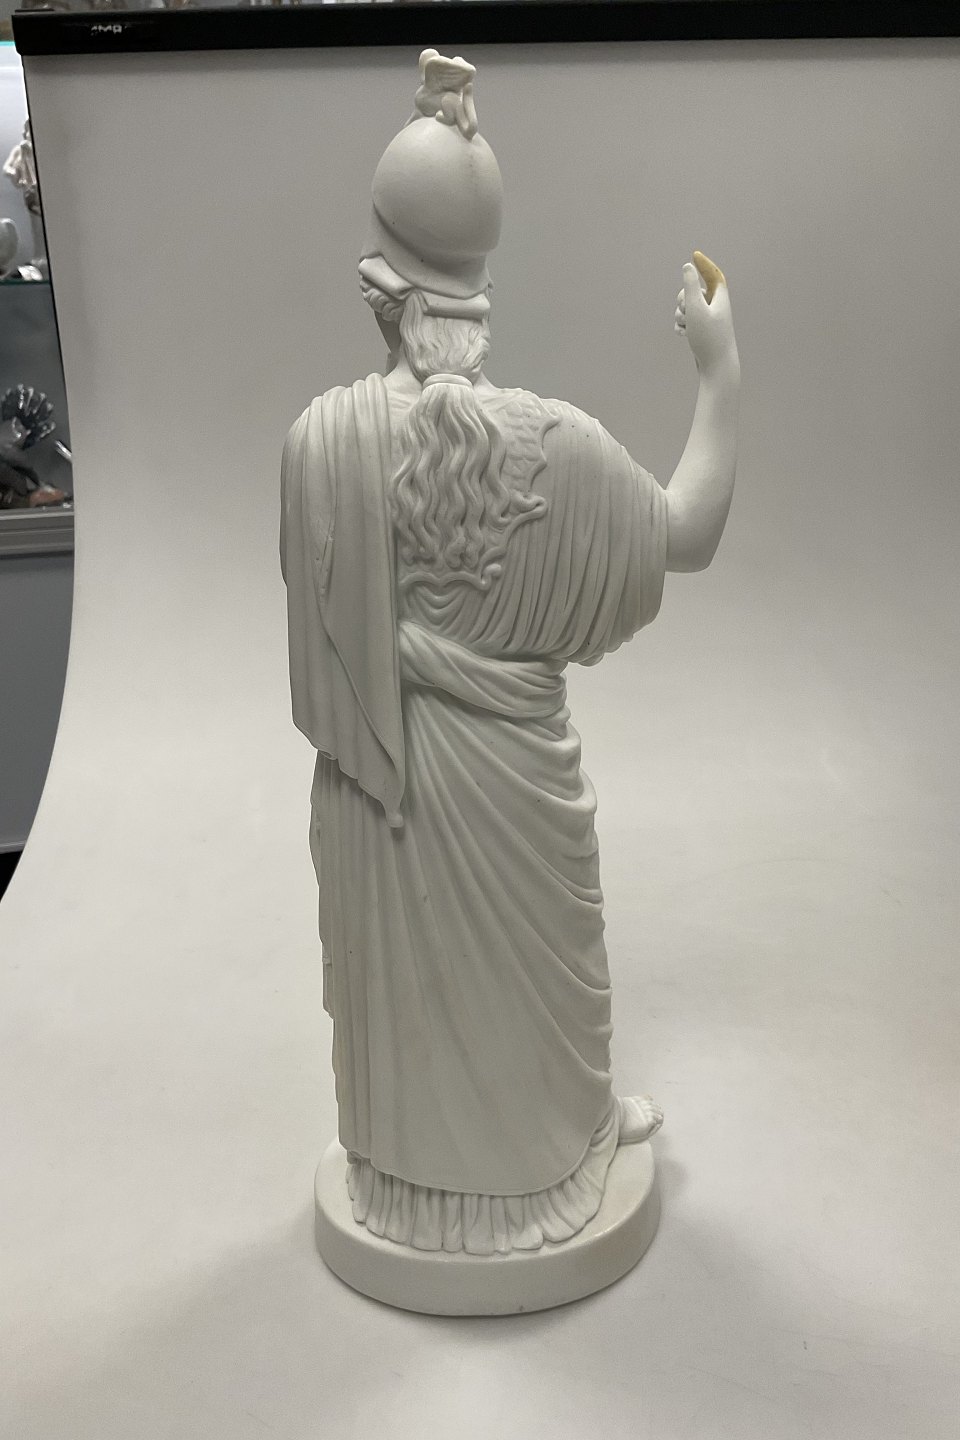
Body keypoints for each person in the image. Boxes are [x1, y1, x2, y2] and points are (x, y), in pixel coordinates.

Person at [281, 50, 739, 1255]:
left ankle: (434, 1179)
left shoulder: (319, 444)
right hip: (511, 791)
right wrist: (719, 371)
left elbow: (324, 670)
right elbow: (688, 533)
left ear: (380, 291)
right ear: (475, 297)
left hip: (382, 792)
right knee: (533, 975)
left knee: (419, 986)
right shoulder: (551, 447)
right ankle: (538, 1157)